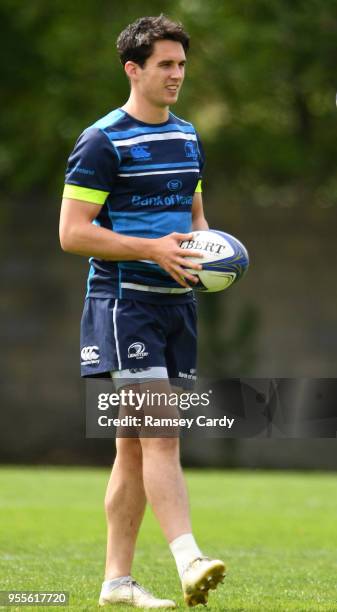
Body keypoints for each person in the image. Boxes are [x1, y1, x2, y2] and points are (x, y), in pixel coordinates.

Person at [59, 14, 225, 608]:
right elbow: (73, 234)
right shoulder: (101, 141)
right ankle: (190, 559)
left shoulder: (186, 136)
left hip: (177, 307)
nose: (177, 74)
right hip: (123, 306)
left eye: (182, 64)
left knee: (132, 447)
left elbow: (194, 216)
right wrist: (151, 251)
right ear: (134, 69)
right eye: (165, 64)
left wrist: (208, 253)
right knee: (161, 436)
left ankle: (116, 583)